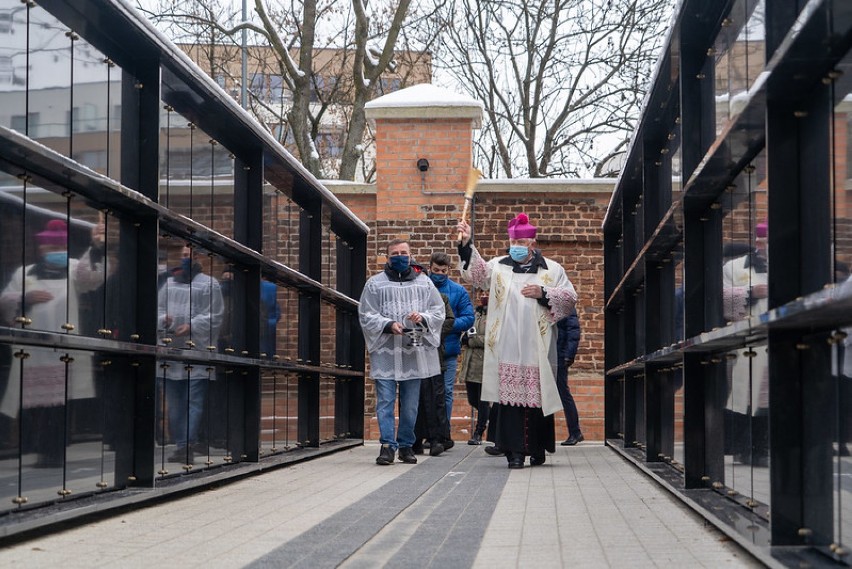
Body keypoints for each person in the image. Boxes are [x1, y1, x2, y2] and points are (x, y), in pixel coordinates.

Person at [457, 213, 577, 468]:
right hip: (507, 344)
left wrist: (543, 293)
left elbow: (569, 300)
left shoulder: (552, 269)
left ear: (532, 244)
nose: (516, 248)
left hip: (537, 345)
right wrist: (466, 243)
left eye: (522, 244)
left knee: (537, 398)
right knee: (510, 401)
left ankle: (537, 449)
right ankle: (514, 453)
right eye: (513, 243)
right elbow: (476, 276)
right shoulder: (499, 265)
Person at [0, 218, 105, 467]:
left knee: (57, 406)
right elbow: (5, 300)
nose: (52, 252)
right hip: (34, 351)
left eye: (57, 248)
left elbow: (91, 277)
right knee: (34, 404)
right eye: (48, 248)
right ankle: (37, 448)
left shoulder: (73, 268)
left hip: (62, 349)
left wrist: (96, 246)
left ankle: (54, 452)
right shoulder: (24, 273)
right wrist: (26, 296)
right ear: (41, 249)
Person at [358, 238, 445, 465]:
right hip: (386, 351)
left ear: (410, 255)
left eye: (403, 252)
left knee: (410, 404)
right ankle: (387, 446)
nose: (399, 256)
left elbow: (438, 312)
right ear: (387, 257)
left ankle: (406, 445)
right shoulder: (375, 284)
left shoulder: (424, 283)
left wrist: (422, 317)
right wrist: (388, 324)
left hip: (412, 352)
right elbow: (366, 313)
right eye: (394, 253)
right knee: (385, 400)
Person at [158, 245, 224, 464]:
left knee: (193, 401)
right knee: (175, 404)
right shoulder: (170, 283)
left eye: (190, 255)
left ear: (199, 257)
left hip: (197, 350)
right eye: (184, 255)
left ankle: (187, 445)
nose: (186, 259)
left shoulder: (209, 284)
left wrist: (191, 325)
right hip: (172, 350)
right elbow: (157, 310)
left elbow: (215, 315)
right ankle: (180, 444)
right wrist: (164, 320)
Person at [722, 221, 769, 467]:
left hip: (777, 340)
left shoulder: (790, 264)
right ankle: (743, 449)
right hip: (748, 341)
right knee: (744, 397)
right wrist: (751, 292)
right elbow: (720, 296)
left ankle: (763, 450)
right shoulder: (734, 266)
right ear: (759, 242)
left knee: (769, 399)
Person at [428, 252, 475, 437]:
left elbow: (468, 318)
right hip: (426, 349)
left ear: (448, 270)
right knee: (428, 393)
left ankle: (443, 432)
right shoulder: (422, 287)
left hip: (448, 349)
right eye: (435, 270)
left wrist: (445, 325)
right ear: (429, 267)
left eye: (443, 270)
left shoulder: (458, 291)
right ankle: (428, 432)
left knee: (446, 392)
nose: (439, 273)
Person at [413, 292, 454, 456]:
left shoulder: (440, 298)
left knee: (436, 398)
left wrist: (432, 335)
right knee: (414, 398)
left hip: (434, 355)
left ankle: (437, 438)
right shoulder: (409, 297)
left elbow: (449, 320)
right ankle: (414, 439)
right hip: (414, 354)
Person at [459, 290, 491, 445]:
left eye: (487, 293)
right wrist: (464, 337)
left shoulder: (497, 315)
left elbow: (492, 338)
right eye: (482, 293)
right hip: (470, 362)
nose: (483, 296)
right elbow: (464, 333)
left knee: (482, 400)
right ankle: (494, 416)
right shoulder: (475, 314)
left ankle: (478, 432)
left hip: (485, 364)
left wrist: (471, 340)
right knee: (472, 399)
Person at [557, 308, 583, 445]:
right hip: (550, 353)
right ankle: (575, 432)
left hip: (559, 354)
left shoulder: (565, 302)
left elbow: (573, 329)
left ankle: (575, 432)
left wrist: (569, 354)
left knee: (563, 393)